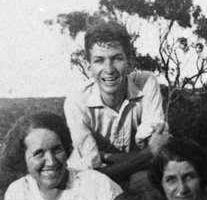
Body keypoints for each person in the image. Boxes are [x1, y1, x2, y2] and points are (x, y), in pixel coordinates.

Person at [64, 21, 170, 189]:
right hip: (93, 187)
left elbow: (160, 153)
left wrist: (106, 156)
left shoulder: (146, 82)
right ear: (88, 66)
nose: (109, 69)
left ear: (130, 63)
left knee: (143, 180)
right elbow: (91, 175)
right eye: (99, 60)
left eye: (117, 59)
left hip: (136, 177)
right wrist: (147, 154)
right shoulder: (77, 102)